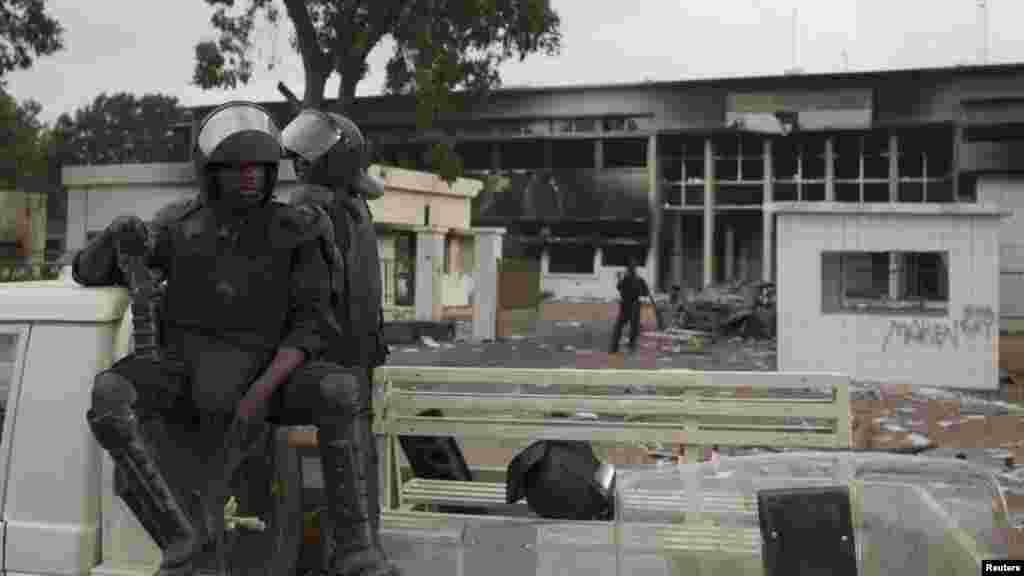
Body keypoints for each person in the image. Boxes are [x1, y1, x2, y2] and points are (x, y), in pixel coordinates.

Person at [75, 101, 396, 576]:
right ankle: (179, 540)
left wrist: (260, 394)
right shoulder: (177, 226)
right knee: (108, 395)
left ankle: (355, 548)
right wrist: (111, 238)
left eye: (258, 168)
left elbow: (312, 325)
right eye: (234, 168)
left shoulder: (300, 227)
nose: (248, 177)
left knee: (339, 389)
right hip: (185, 373)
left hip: (268, 372)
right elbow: (89, 271)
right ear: (210, 171)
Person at [280, 108, 398, 575]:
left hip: (341, 363)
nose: (299, 161)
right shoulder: (341, 208)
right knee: (352, 467)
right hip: (345, 364)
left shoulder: (327, 209)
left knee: (351, 467)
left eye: (311, 152)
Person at [610, 258, 653, 354]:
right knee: (630, 328)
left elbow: (619, 288)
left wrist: (619, 278)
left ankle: (615, 347)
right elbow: (646, 292)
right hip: (632, 306)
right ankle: (627, 347)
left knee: (621, 327)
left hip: (628, 305)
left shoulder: (628, 279)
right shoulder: (637, 279)